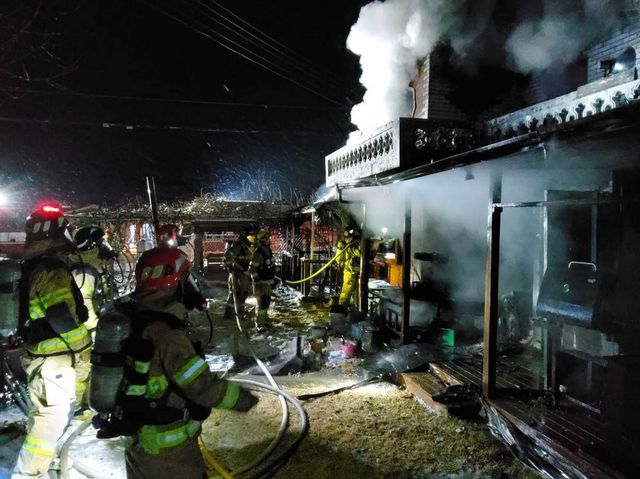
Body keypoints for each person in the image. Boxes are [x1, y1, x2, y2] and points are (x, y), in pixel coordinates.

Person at [108, 247, 258, 479]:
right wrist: (243, 399)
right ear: (174, 282)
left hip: (137, 443)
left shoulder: (127, 317)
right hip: (169, 454)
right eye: (187, 279)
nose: (192, 286)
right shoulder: (166, 333)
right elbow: (201, 386)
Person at [13, 203, 92, 478]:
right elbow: (60, 314)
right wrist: (84, 345)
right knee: (51, 419)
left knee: (43, 416)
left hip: (40, 355)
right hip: (53, 359)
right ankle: (28, 473)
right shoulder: (51, 269)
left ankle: (43, 463)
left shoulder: (32, 265)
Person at [71, 225, 117, 409]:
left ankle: (85, 402)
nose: (105, 246)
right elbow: (85, 304)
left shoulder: (93, 268)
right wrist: (98, 328)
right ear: (91, 246)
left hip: (90, 327)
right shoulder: (84, 272)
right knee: (83, 367)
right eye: (101, 243)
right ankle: (75, 405)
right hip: (86, 330)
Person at [222, 229, 253, 321]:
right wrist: (229, 267)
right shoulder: (238, 246)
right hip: (236, 275)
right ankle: (228, 314)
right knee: (234, 293)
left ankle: (240, 311)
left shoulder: (246, 248)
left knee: (244, 293)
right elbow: (228, 256)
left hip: (244, 274)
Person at [248, 226, 276, 328]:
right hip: (261, 283)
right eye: (267, 238)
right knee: (261, 304)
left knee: (266, 302)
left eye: (269, 238)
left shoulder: (268, 251)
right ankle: (259, 324)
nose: (269, 240)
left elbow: (270, 265)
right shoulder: (258, 254)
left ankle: (264, 320)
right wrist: (257, 282)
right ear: (262, 240)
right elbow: (252, 269)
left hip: (268, 282)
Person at [337, 227, 361, 307]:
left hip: (353, 269)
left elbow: (338, 258)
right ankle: (342, 306)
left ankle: (348, 305)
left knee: (352, 289)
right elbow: (359, 253)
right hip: (350, 269)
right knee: (347, 288)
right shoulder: (350, 246)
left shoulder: (347, 244)